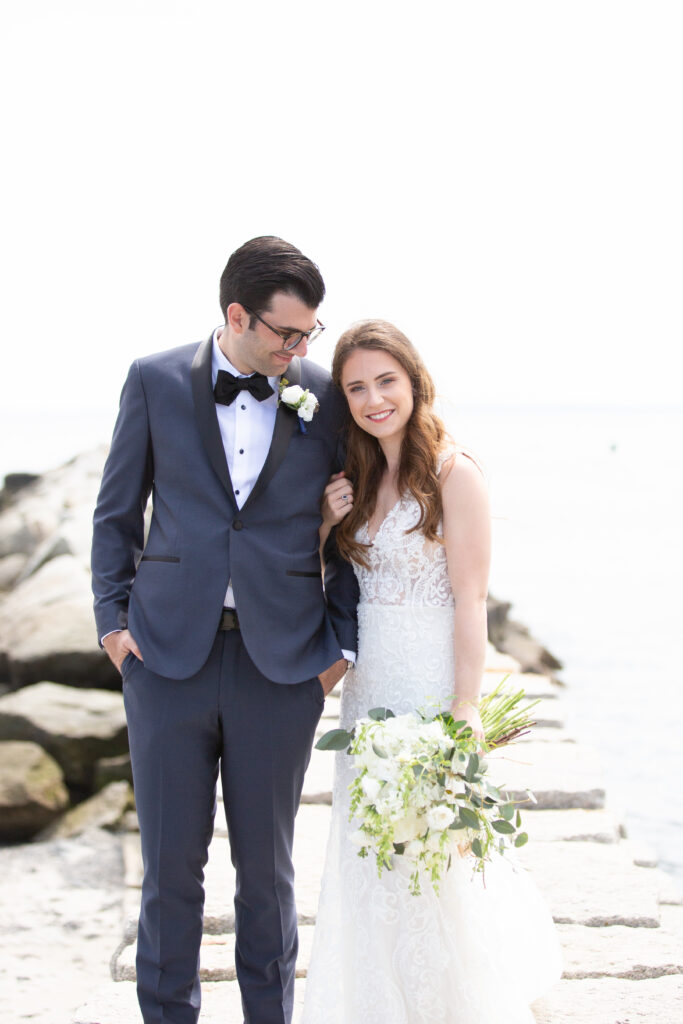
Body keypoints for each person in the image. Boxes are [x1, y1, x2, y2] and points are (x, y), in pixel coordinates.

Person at [90, 236, 359, 1024]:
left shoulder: (323, 397)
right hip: (165, 659)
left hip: (281, 668)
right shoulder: (153, 381)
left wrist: (338, 649)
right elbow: (115, 516)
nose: (300, 348)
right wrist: (114, 628)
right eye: (286, 333)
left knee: (268, 875)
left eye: (309, 331)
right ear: (236, 316)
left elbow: (351, 534)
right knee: (169, 871)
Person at [303, 320, 562, 1023]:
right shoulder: (354, 476)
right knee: (370, 851)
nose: (372, 398)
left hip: (427, 685)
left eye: (385, 380)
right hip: (367, 692)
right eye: (355, 387)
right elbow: (333, 583)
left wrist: (466, 706)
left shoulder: (454, 471)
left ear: (414, 382)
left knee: (435, 856)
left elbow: (470, 596)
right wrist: (325, 530)